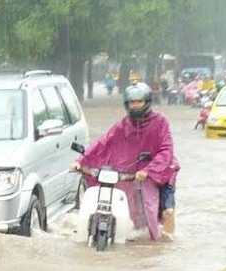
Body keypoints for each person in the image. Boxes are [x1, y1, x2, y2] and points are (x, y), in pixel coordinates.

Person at [69, 82, 180, 241]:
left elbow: (166, 150)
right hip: (135, 173)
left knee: (167, 212)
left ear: (147, 102)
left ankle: (167, 241)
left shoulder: (161, 122)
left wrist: (149, 170)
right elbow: (103, 142)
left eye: (139, 102)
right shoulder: (124, 125)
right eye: (132, 102)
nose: (135, 106)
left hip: (161, 172)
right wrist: (80, 161)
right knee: (130, 211)